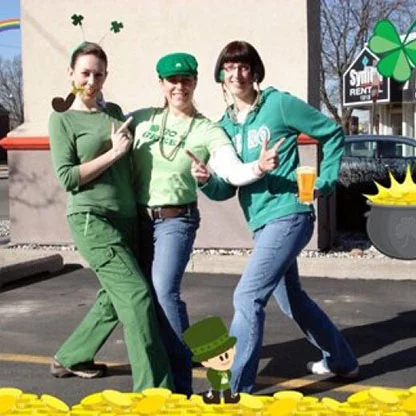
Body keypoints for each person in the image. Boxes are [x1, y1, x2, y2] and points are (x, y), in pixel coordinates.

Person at [192, 41, 359, 393]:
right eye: (229, 67)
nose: (236, 74)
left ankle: (232, 388)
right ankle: (343, 361)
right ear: (221, 76)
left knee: (246, 297)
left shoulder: (278, 105)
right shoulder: (225, 127)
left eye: (244, 67)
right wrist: (207, 182)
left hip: (290, 214)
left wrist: (326, 182)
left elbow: (331, 132)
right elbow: (230, 187)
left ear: (255, 73)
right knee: (292, 300)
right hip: (263, 223)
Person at [129, 52, 282, 395]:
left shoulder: (207, 129)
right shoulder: (141, 119)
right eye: (172, 80)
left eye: (186, 80)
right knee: (133, 295)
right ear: (161, 84)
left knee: (165, 292)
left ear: (195, 82)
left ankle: (181, 385)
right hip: (137, 219)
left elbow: (230, 168)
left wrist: (257, 168)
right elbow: (104, 125)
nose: (179, 86)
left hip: (175, 221)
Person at [48, 41, 173, 392]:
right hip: (92, 218)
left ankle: (72, 356)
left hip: (128, 218)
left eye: (98, 74)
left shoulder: (116, 112)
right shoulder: (62, 119)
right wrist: (114, 153)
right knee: (136, 297)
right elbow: (68, 178)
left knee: (113, 296)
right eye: (85, 72)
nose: (91, 80)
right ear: (71, 73)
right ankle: (154, 391)